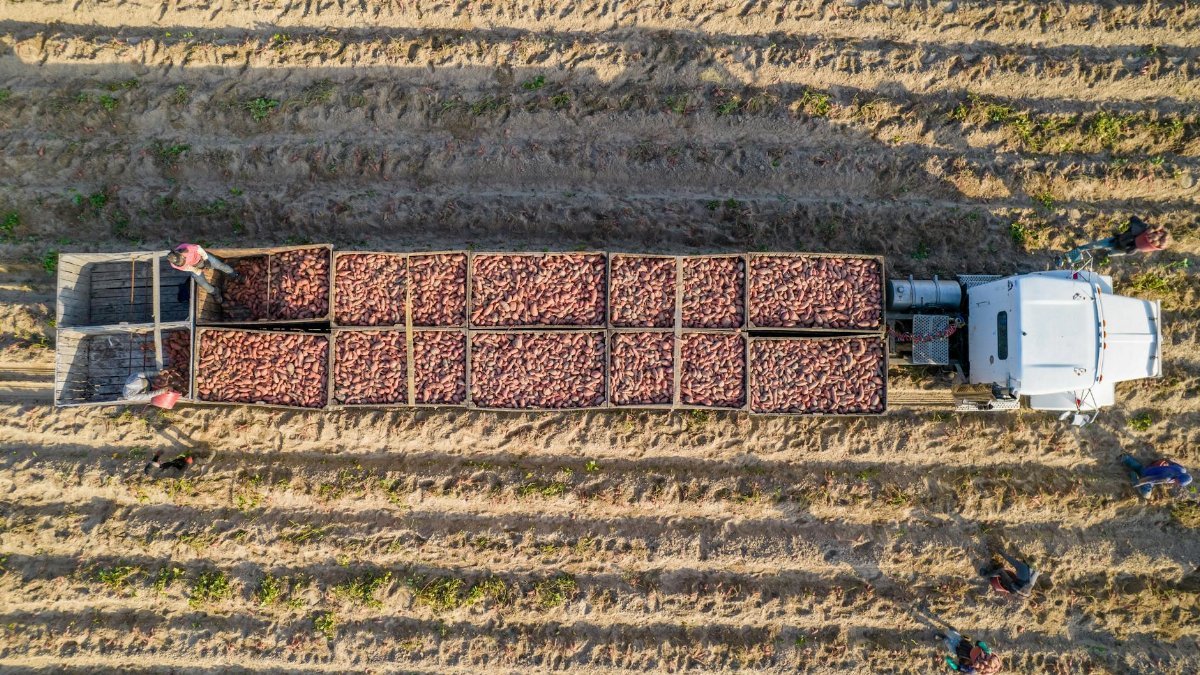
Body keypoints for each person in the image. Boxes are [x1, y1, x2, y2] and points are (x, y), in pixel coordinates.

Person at [1060, 216, 1170, 265]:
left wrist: (1133, 246)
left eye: (1151, 240)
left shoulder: (1138, 247)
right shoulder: (1141, 228)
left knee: (1110, 253)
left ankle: (1104, 254)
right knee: (1093, 246)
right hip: (1115, 241)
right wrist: (1137, 229)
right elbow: (1133, 218)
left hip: (1121, 249)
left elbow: (1131, 250)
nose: (1150, 239)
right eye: (1151, 237)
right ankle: (1074, 254)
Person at [167, 243, 238, 300]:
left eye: (183, 261)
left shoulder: (187, 248)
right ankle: (215, 292)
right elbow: (188, 268)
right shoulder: (175, 265)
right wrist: (199, 270)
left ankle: (234, 274)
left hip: (202, 258)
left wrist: (206, 259)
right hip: (194, 267)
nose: (183, 263)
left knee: (220, 265)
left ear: (181, 254)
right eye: (181, 264)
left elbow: (200, 249)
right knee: (203, 284)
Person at [1121, 454, 1193, 499]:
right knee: (1146, 496)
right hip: (1148, 477)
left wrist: (1160, 464)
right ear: (1178, 478)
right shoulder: (1166, 478)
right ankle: (1133, 475)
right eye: (1178, 482)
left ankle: (1126, 459)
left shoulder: (1182, 469)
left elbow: (1167, 460)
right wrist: (1137, 483)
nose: (1177, 484)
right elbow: (1149, 479)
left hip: (1150, 469)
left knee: (1140, 468)